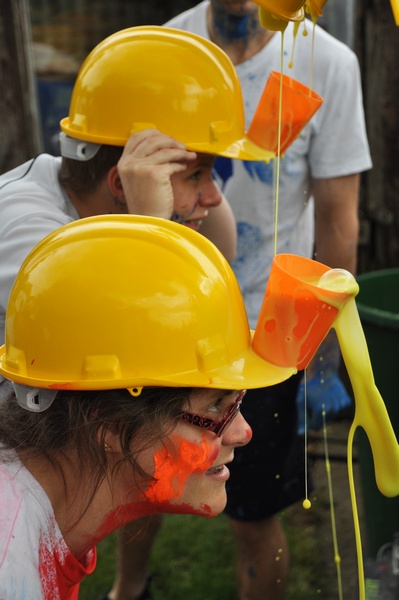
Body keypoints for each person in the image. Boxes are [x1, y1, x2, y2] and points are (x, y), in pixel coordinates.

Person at [101, 4, 372, 600]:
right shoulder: (169, 48)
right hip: (164, 322)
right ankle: (128, 589)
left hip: (265, 336)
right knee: (134, 488)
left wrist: (317, 346)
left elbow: (337, 216)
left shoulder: (327, 63)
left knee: (253, 513)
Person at [0, 24, 281, 600]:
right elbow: (131, 375)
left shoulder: (91, 212)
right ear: (121, 181)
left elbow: (218, 258)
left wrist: (172, 208)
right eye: (198, 174)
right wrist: (151, 222)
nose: (211, 197)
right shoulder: (33, 242)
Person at [0, 213, 296, 599]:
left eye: (237, 402)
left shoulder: (44, 518)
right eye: (215, 410)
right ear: (105, 421)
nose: (243, 432)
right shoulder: (12, 571)